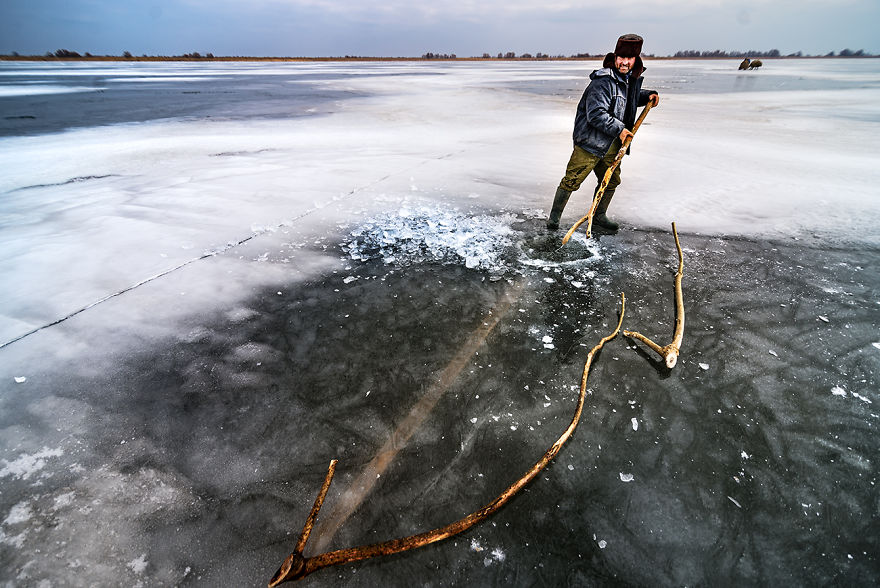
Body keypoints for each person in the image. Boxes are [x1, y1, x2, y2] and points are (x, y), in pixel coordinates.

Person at [546, 34, 660, 232]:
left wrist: (647, 95)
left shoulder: (628, 80)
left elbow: (626, 99)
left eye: (629, 59)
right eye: (621, 58)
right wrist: (621, 130)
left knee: (611, 180)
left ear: (635, 60)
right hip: (590, 142)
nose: (624, 62)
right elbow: (596, 114)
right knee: (572, 180)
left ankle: (598, 216)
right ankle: (553, 220)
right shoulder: (602, 82)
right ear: (615, 57)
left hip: (612, 143)